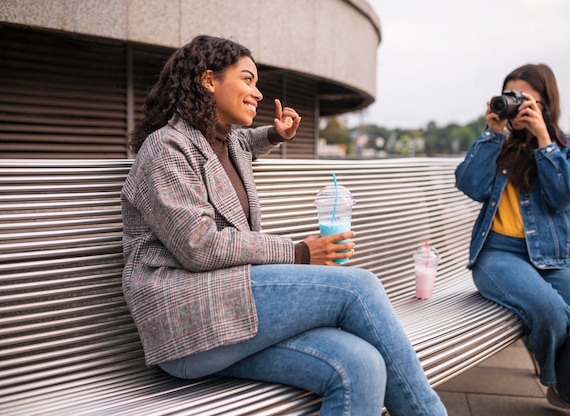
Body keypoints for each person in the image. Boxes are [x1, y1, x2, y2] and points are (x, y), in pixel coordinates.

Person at [121, 35, 446, 416]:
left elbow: (248, 141)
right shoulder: (167, 148)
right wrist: (299, 252)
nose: (257, 93)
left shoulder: (227, 142)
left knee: (361, 365)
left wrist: (277, 133)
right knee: (359, 288)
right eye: (247, 80)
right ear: (209, 80)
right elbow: (199, 245)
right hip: (184, 319)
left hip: (227, 316)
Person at [455, 63, 570, 416]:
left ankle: (566, 390)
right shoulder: (498, 145)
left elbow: (566, 197)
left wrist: (545, 141)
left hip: (556, 258)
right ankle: (569, 386)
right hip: (497, 254)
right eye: (509, 96)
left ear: (546, 104)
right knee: (549, 313)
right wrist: (492, 132)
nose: (515, 106)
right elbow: (470, 186)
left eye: (524, 99)